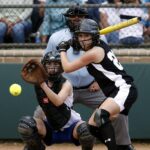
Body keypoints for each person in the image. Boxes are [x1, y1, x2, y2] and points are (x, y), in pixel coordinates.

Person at [34, 7, 135, 150]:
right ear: (66, 19)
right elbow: (46, 62)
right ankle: (32, 145)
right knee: (41, 110)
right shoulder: (56, 37)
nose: (76, 18)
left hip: (91, 89)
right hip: (65, 89)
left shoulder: (99, 38)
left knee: (118, 110)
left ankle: (124, 144)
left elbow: (107, 64)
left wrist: (98, 82)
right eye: (72, 16)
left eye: (80, 16)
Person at [58, 18, 138, 150]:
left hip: (123, 88)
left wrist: (62, 50)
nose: (82, 39)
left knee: (101, 115)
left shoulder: (94, 52)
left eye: (86, 35)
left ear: (94, 36)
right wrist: (74, 42)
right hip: (114, 92)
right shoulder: (97, 45)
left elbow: (67, 68)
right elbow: (82, 44)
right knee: (92, 127)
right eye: (80, 35)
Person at [18, 51, 94, 150]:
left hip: (70, 125)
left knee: (86, 130)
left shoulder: (66, 84)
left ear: (62, 66)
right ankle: (37, 147)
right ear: (43, 66)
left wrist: (43, 85)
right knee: (25, 125)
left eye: (56, 63)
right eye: (49, 63)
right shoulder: (39, 83)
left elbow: (58, 102)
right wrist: (41, 83)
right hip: (49, 126)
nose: (52, 66)